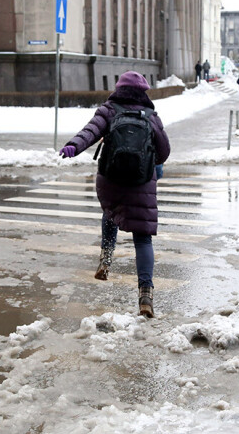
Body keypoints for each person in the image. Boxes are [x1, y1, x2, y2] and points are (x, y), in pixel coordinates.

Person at [58, 71, 171, 318]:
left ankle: (106, 260)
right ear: (143, 91)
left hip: (111, 179)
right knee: (143, 239)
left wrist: (73, 147)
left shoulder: (108, 110)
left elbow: (89, 132)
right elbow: (163, 153)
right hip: (141, 182)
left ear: (118, 89)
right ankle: (145, 296)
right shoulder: (151, 116)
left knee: (111, 212)